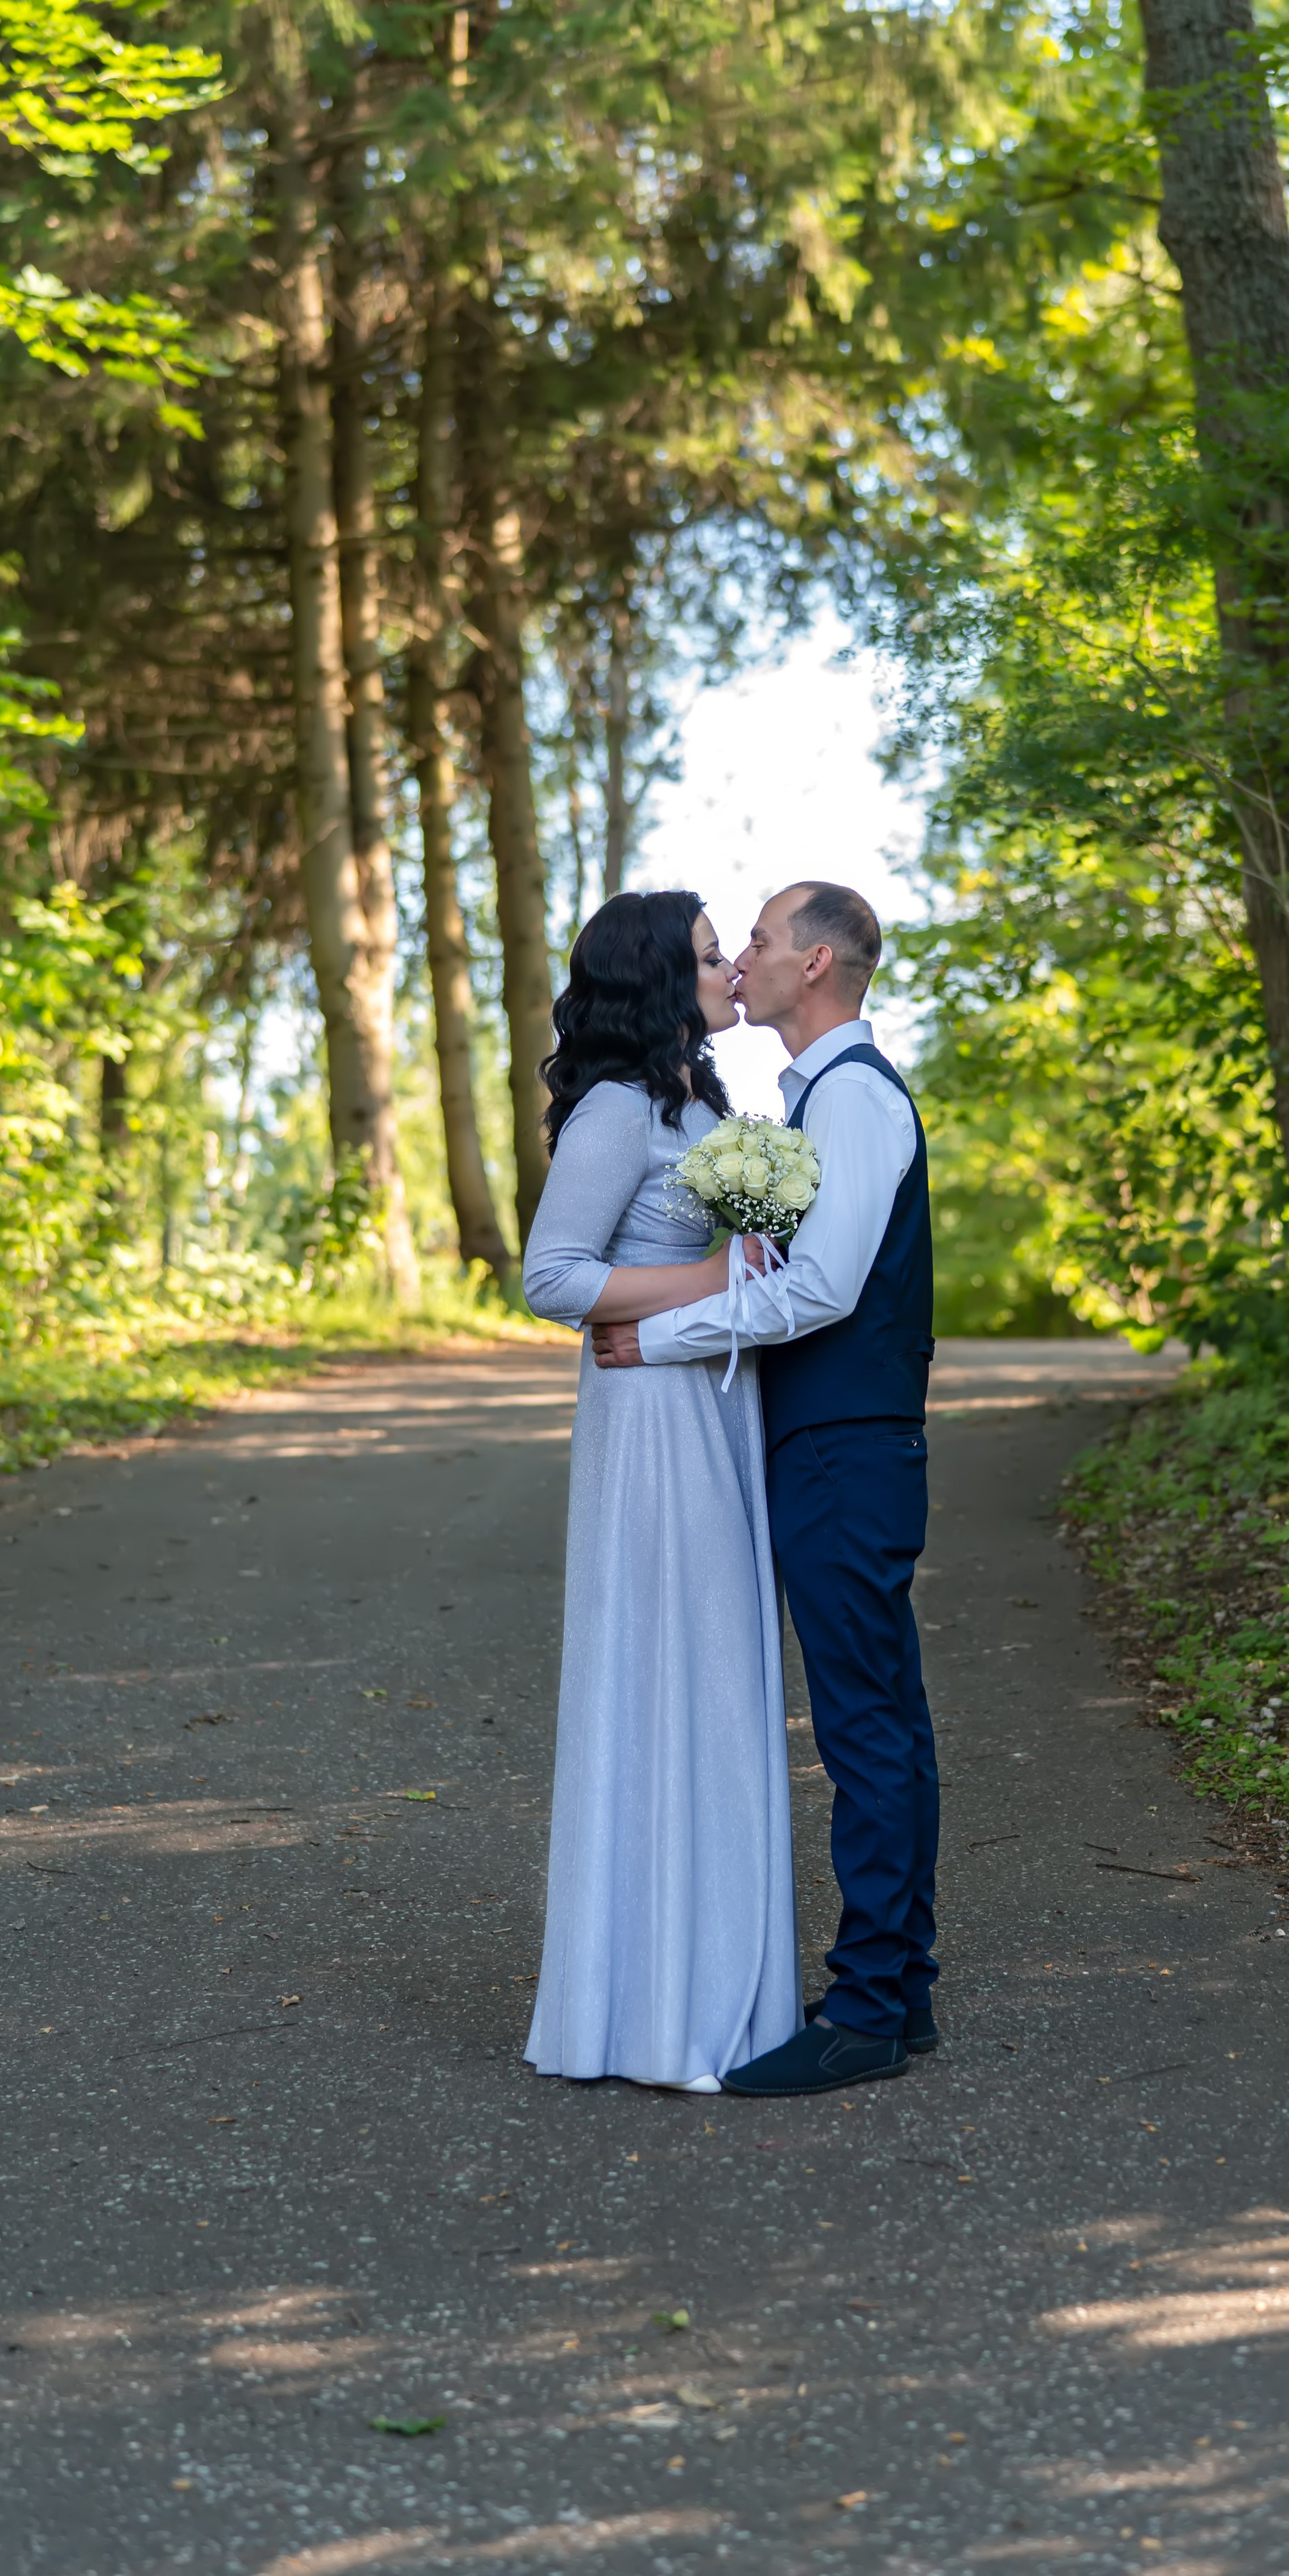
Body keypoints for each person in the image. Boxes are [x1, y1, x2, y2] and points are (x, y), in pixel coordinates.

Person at [593, 881, 938, 2099]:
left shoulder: (849, 1099)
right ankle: (901, 1991)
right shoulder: (814, 1100)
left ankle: (866, 2009)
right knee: (882, 1716)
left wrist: (663, 1339)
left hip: (845, 1444)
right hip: (839, 1444)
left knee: (861, 1726)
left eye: (759, 940)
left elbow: (824, 1292)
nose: (741, 960)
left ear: (821, 961)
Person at [519, 890, 799, 2092]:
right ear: (655, 980)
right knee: (668, 1674)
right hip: (648, 1422)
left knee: (723, 1678)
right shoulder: (616, 1110)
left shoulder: (699, 1104)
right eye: (705, 955)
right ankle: (648, 2009)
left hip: (716, 1406)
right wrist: (709, 1272)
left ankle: (720, 1977)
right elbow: (552, 1277)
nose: (733, 967)